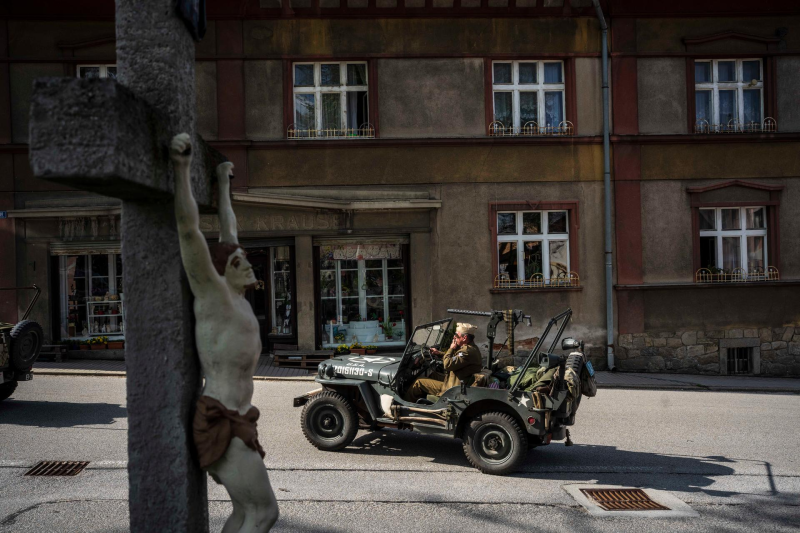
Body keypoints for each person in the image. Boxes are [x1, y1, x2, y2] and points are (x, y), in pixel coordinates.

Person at [170, 133, 278, 532]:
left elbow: (227, 229)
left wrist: (223, 184)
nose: (246, 263)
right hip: (220, 422)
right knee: (265, 513)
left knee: (244, 512)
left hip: (239, 419)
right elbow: (188, 232)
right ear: (219, 271)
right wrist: (181, 168)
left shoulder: (238, 298)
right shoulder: (213, 295)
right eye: (237, 262)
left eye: (245, 258)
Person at [404, 322, 483, 403]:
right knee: (433, 375)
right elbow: (455, 359)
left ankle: (406, 405)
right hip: (457, 381)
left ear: (464, 338)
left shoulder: (466, 351)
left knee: (418, 382)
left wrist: (451, 348)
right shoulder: (470, 348)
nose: (454, 337)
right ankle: (424, 402)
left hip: (453, 389)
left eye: (456, 336)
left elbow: (447, 364)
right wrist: (439, 353)